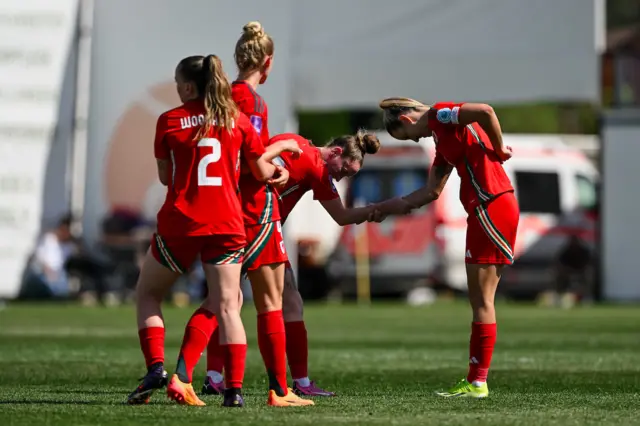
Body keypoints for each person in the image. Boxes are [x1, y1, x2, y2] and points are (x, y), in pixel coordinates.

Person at [126, 54, 299, 408]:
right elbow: (261, 171)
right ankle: (233, 392)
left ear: (188, 87)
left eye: (178, 87)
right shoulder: (235, 119)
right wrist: (280, 152)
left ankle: (156, 368)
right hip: (226, 223)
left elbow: (165, 177)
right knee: (228, 307)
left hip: (181, 223)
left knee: (147, 294)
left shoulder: (169, 120)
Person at [204, 129, 382, 397]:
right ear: (335, 152)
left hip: (243, 221)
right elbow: (342, 217)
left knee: (240, 300)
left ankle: (213, 376)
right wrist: (380, 209)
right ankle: (284, 384)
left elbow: (260, 160)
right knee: (243, 302)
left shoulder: (293, 140)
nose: (342, 176)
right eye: (345, 169)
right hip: (257, 226)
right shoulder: (317, 168)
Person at [373, 97, 519, 399]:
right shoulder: (443, 138)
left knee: (482, 300)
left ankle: (478, 382)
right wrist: (382, 208)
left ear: (407, 121)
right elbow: (430, 192)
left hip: (491, 204)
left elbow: (486, 111)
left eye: (411, 136)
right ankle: (476, 380)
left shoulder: (440, 114)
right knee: (480, 300)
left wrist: (500, 147)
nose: (418, 138)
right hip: (484, 208)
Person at [200, 21, 312, 408]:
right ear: (268, 61)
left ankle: (189, 376)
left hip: (223, 209)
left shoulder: (222, 95)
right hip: (254, 209)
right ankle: (280, 390)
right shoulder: (251, 100)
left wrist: (268, 157)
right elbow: (251, 160)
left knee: (220, 301)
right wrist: (277, 161)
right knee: (271, 301)